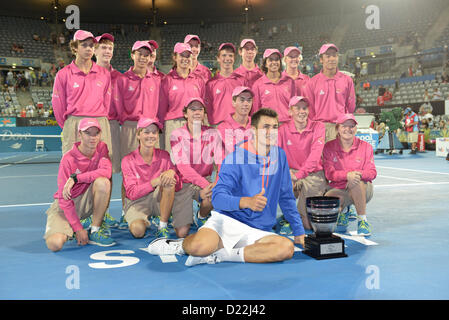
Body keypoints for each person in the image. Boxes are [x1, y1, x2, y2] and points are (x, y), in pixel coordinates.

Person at [147, 108, 305, 267]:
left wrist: (299, 232)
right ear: (253, 131)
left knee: (285, 249)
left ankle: (222, 255)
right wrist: (245, 202)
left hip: (259, 229)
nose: (271, 131)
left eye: (275, 127)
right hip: (228, 221)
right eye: (266, 127)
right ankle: (179, 245)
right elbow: (217, 197)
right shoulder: (235, 157)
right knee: (198, 247)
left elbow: (286, 197)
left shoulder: (280, 155)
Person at [43, 118, 115, 252]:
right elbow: (64, 199)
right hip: (66, 204)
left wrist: (76, 178)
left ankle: (95, 230)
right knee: (55, 244)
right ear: (80, 135)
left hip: (86, 200)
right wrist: (78, 228)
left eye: (96, 133)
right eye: (88, 133)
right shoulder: (68, 159)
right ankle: (75, 225)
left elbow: (107, 171)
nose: (93, 137)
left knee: (103, 182)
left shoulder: (102, 147)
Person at [52, 30, 113, 158]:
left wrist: (99, 118)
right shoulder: (63, 74)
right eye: (84, 45)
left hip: (100, 122)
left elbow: (106, 103)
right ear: (74, 48)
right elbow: (58, 106)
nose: (88, 48)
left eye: (91, 45)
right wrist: (70, 124)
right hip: (74, 123)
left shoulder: (104, 73)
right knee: (73, 169)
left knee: (103, 166)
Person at [121, 118, 183, 238]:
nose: (151, 136)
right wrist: (155, 182)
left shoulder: (165, 156)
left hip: (158, 198)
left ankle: (163, 226)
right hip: (137, 202)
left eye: (154, 132)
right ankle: (144, 218)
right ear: (138, 135)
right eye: (146, 132)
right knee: (138, 231)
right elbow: (132, 193)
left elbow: (178, 186)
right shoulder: (127, 160)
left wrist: (172, 172)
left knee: (169, 182)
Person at [170, 97, 222, 228]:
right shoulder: (176, 134)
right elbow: (183, 168)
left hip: (204, 179)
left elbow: (220, 161)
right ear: (185, 114)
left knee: (212, 196)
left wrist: (215, 184)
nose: (197, 112)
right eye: (192, 109)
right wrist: (206, 185)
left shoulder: (213, 133)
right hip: (183, 183)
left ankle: (201, 216)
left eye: (200, 109)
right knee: (182, 232)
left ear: (204, 114)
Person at [278, 96, 327, 232]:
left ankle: (294, 216)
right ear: (290, 111)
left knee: (308, 226)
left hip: (313, 174)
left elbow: (315, 155)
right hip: (291, 172)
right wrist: (287, 172)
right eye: (297, 108)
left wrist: (299, 175)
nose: (301, 111)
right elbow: (277, 154)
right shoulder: (282, 129)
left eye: (304, 108)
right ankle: (289, 217)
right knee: (284, 183)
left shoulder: (318, 126)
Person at [323, 113, 377, 236]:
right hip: (339, 189)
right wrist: (347, 176)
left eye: (351, 126)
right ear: (337, 128)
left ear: (356, 129)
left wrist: (356, 175)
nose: (348, 129)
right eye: (344, 126)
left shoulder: (366, 147)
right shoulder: (328, 147)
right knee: (327, 201)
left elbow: (372, 173)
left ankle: (362, 221)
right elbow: (330, 174)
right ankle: (344, 210)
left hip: (363, 189)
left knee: (356, 181)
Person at [158, 42, 206, 155]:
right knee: (174, 162)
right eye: (181, 55)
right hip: (173, 124)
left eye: (188, 56)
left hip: (195, 124)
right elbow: (162, 108)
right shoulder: (167, 80)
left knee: (195, 160)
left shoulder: (198, 80)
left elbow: (203, 105)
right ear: (175, 57)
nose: (185, 59)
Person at [302, 43, 356, 142]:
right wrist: (317, 126)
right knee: (321, 157)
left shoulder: (347, 80)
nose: (332, 59)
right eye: (328, 56)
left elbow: (350, 105)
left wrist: (345, 124)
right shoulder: (312, 82)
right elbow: (310, 108)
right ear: (321, 60)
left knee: (343, 157)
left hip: (341, 127)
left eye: (334, 55)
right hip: (321, 128)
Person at [204, 42, 246, 126]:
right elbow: (208, 109)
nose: (227, 58)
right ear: (218, 58)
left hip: (238, 126)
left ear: (234, 59)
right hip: (218, 126)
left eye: (230, 56)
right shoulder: (211, 83)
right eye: (224, 55)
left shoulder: (241, 80)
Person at [251, 49, 295, 123]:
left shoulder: (290, 81)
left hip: (287, 125)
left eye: (277, 59)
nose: (274, 62)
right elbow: (256, 110)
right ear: (265, 64)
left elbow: (294, 106)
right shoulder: (258, 84)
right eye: (270, 60)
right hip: (267, 126)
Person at [217, 86, 253, 157]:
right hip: (233, 166)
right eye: (242, 100)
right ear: (233, 102)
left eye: (249, 100)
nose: (246, 104)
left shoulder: (257, 123)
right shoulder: (224, 127)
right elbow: (235, 150)